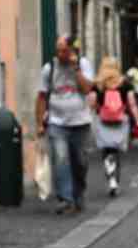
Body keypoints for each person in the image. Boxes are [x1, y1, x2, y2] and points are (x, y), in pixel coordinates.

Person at [36, 35, 94, 214]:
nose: (60, 54)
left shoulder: (83, 65)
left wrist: (75, 68)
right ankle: (65, 198)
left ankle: (78, 193)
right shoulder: (49, 68)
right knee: (61, 159)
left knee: (81, 161)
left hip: (81, 121)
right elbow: (41, 96)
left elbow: (87, 89)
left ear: (72, 50)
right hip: (57, 122)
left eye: (64, 50)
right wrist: (39, 122)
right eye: (58, 50)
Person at [88, 57, 138, 198]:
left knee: (106, 150)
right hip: (120, 120)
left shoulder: (98, 84)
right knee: (116, 151)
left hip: (103, 119)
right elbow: (132, 103)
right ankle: (114, 178)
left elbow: (92, 103)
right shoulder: (124, 83)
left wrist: (97, 109)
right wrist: (137, 120)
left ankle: (110, 176)